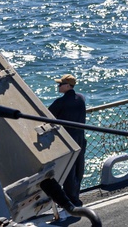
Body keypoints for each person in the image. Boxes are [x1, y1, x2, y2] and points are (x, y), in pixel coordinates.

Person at [48, 73, 87, 208]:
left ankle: (69, 200)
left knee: (68, 170)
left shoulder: (60, 102)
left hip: (66, 140)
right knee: (78, 168)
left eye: (60, 84)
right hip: (80, 138)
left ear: (67, 86)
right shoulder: (81, 98)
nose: (58, 86)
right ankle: (75, 196)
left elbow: (47, 116)